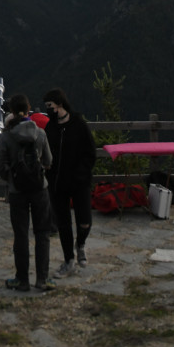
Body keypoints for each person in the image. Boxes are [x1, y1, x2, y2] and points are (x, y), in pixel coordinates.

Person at [0, 92, 55, 292]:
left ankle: (22, 279)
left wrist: (11, 178)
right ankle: (42, 279)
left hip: (17, 192)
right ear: (28, 111)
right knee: (42, 233)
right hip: (39, 189)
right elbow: (49, 162)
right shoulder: (40, 134)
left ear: (10, 111)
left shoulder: (7, 136)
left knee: (21, 235)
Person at [43, 87, 97, 276]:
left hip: (79, 182)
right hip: (57, 184)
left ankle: (80, 243)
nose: (48, 110)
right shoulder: (50, 127)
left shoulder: (79, 125)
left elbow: (90, 153)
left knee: (85, 221)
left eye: (49, 106)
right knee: (63, 224)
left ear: (59, 104)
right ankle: (69, 260)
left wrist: (81, 174)